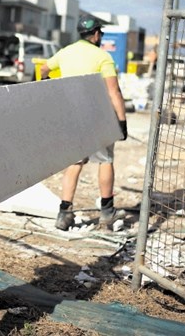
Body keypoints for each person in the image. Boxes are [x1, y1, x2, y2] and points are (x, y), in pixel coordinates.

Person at [39, 15, 127, 231]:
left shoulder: (66, 52)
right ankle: (107, 212)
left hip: (72, 117)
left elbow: (43, 69)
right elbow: (113, 91)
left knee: (75, 162)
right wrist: (122, 121)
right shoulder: (102, 57)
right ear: (96, 34)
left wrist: (48, 84)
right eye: (101, 33)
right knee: (105, 160)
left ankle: (64, 214)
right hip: (98, 117)